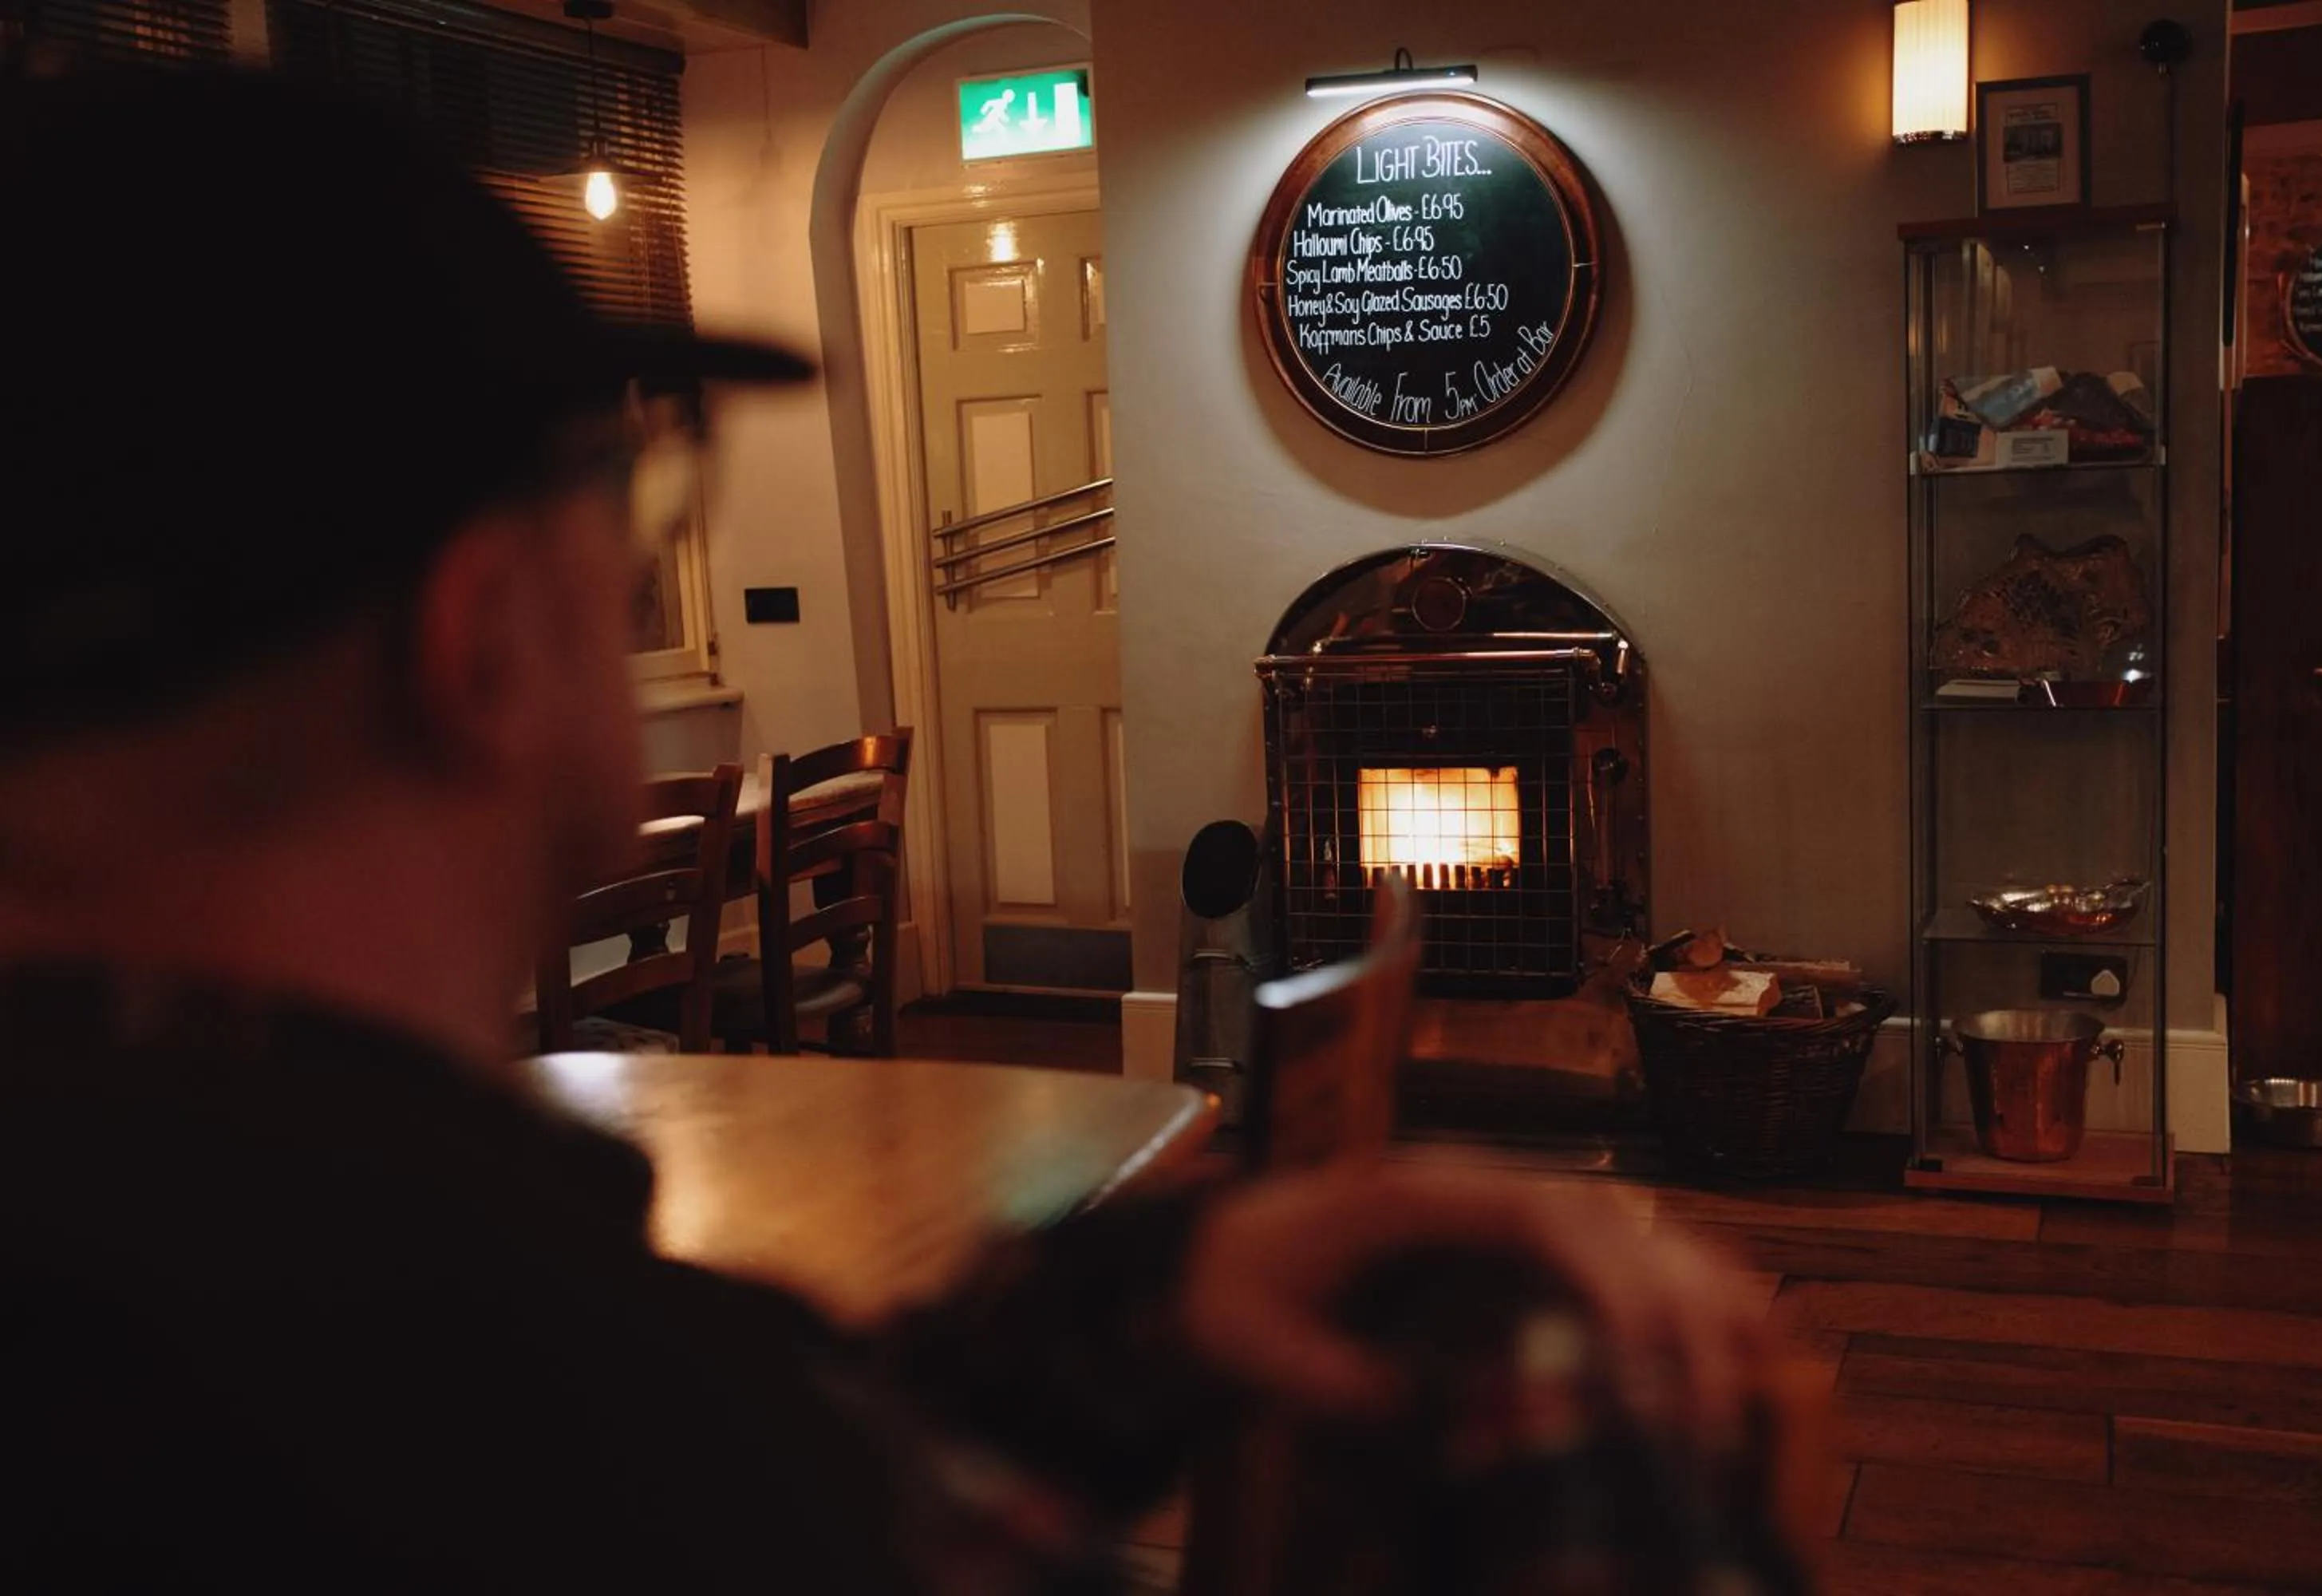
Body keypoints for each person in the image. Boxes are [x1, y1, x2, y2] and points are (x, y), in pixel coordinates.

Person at [0, 70, 1768, 1590]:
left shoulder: (209, 1275)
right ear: (474, 642)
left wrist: (1146, 1305)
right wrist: (1579, 1448)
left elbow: (812, 1429)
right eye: (614, 516)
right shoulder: (572, 1413)